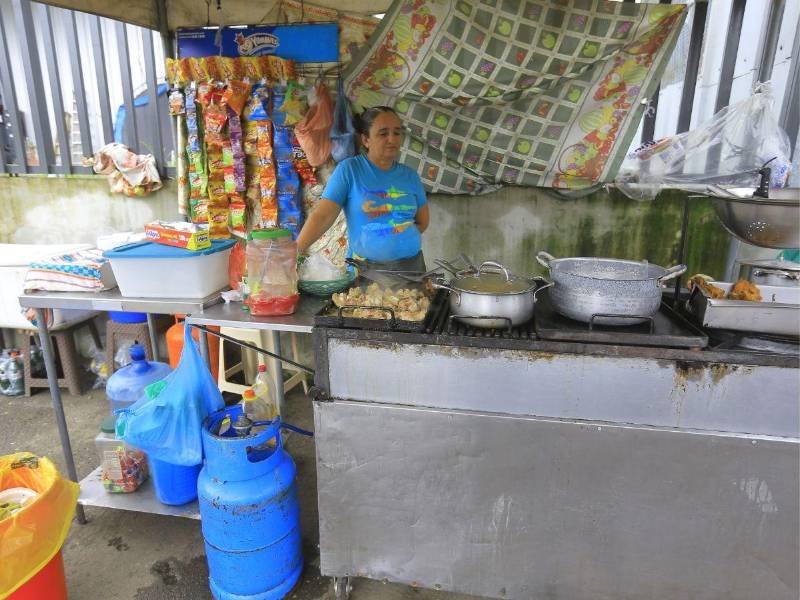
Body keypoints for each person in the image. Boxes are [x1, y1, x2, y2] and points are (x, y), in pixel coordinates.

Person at [296, 105, 430, 272]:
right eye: (383, 133)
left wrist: (398, 241)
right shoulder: (350, 170)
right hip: (366, 273)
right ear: (366, 139)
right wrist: (294, 252)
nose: (392, 139)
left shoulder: (410, 176)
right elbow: (323, 216)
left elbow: (422, 222)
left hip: (412, 270)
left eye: (397, 132)